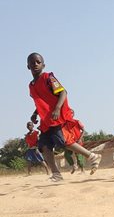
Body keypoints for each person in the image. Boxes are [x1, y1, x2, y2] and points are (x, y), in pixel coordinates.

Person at [27, 53, 101, 181]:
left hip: (56, 117)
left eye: (38, 62)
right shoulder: (31, 85)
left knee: (63, 141)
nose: (35, 64)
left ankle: (92, 156)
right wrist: (35, 113)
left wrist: (57, 108)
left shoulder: (48, 78)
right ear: (28, 66)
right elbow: (41, 101)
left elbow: (63, 92)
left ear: (43, 65)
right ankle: (56, 174)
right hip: (46, 120)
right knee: (44, 146)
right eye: (32, 62)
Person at [64, 110, 85, 174]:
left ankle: (82, 170)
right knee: (67, 154)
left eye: (70, 113)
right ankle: (74, 166)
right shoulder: (64, 123)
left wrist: (80, 139)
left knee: (79, 156)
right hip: (69, 141)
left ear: (73, 114)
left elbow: (83, 131)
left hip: (77, 141)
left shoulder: (77, 122)